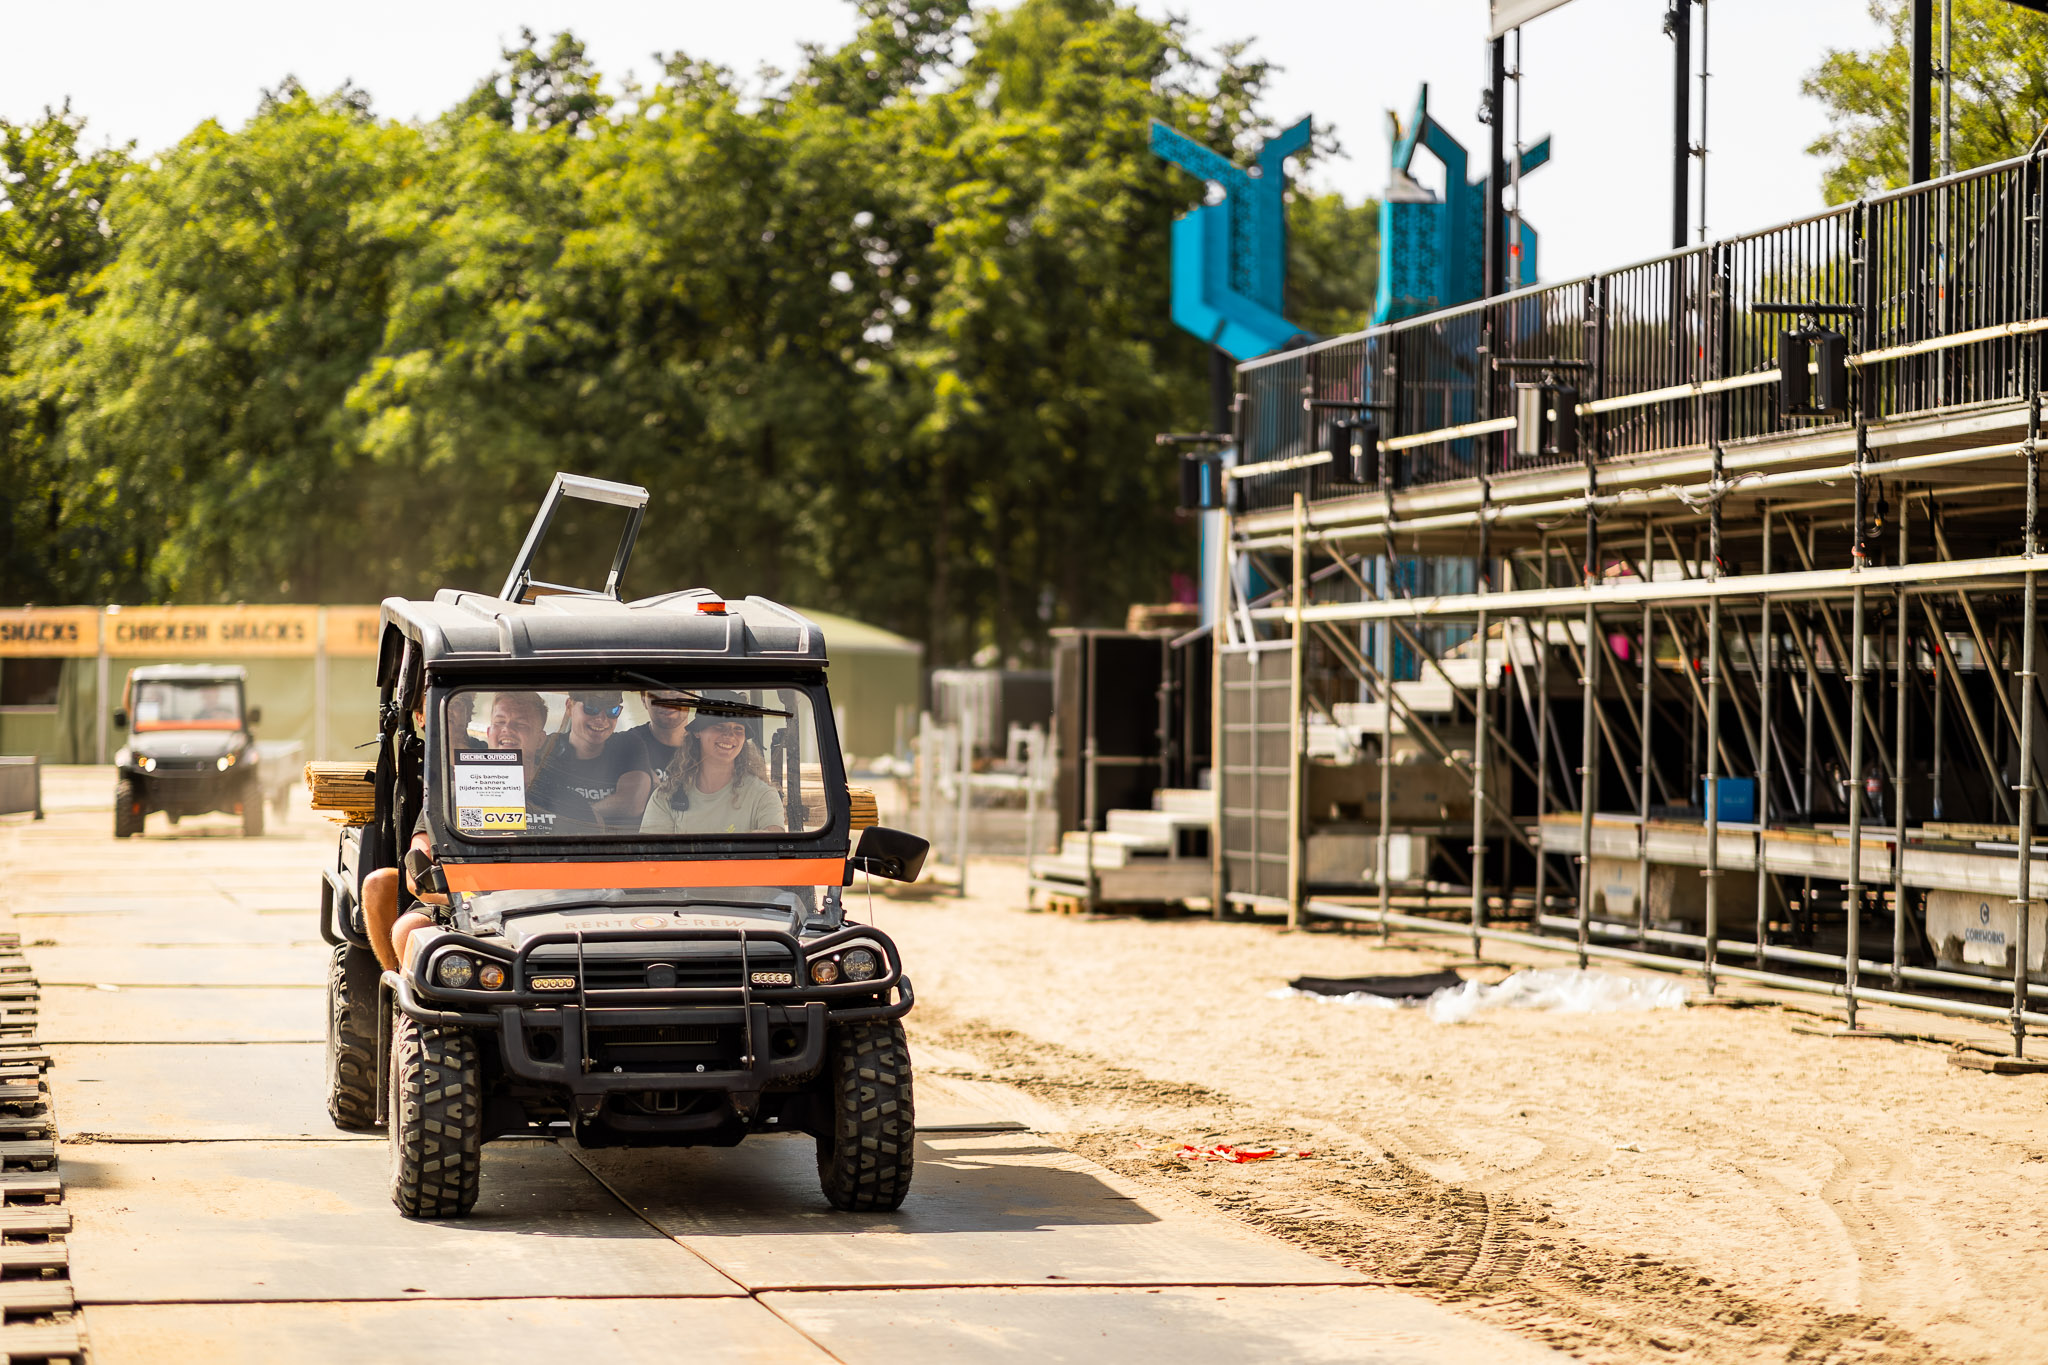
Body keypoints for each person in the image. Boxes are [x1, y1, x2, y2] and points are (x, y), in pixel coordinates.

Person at [639, 702, 787, 836]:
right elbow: (652, 857)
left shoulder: (763, 795)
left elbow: (775, 841)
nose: (729, 735)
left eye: (738, 728)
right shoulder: (665, 796)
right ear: (697, 732)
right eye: (719, 726)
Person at [531, 690, 647, 829]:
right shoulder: (546, 748)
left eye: (612, 710)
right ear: (569, 707)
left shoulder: (628, 745)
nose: (602, 719)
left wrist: (578, 814)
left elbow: (633, 803)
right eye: (591, 708)